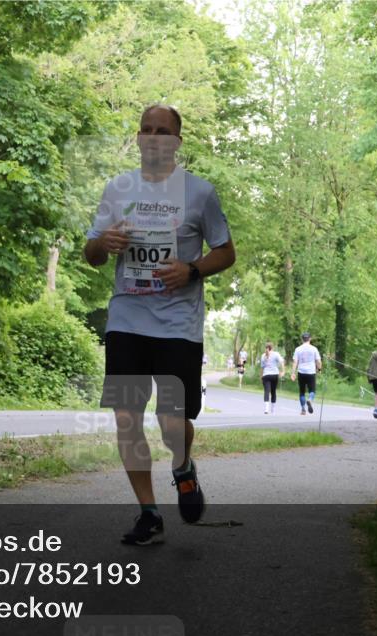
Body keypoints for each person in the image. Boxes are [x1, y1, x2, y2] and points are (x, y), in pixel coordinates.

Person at [83, 104, 235, 545]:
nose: (154, 137)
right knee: (127, 418)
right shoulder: (117, 189)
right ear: (138, 138)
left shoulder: (200, 193)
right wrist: (103, 243)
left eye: (163, 131)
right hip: (127, 317)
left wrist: (191, 270)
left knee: (172, 424)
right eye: (147, 130)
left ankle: (183, 465)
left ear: (176, 142)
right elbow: (91, 254)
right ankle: (149, 513)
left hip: (177, 324)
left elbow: (225, 252)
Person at [290, 332, 322, 415]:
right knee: (312, 390)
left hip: (301, 372)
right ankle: (310, 399)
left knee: (302, 392)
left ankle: (303, 409)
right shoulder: (314, 349)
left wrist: (293, 373)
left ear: (302, 339)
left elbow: (295, 362)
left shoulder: (298, 349)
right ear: (310, 339)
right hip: (311, 372)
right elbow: (318, 361)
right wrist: (319, 369)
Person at [259, 342, 285, 414]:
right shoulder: (276, 354)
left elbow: (262, 367)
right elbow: (282, 362)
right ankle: (273, 410)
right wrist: (283, 371)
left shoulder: (263, 355)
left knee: (267, 391)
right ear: (272, 348)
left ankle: (266, 409)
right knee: (273, 392)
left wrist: (261, 376)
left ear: (266, 348)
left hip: (266, 375)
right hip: (274, 375)